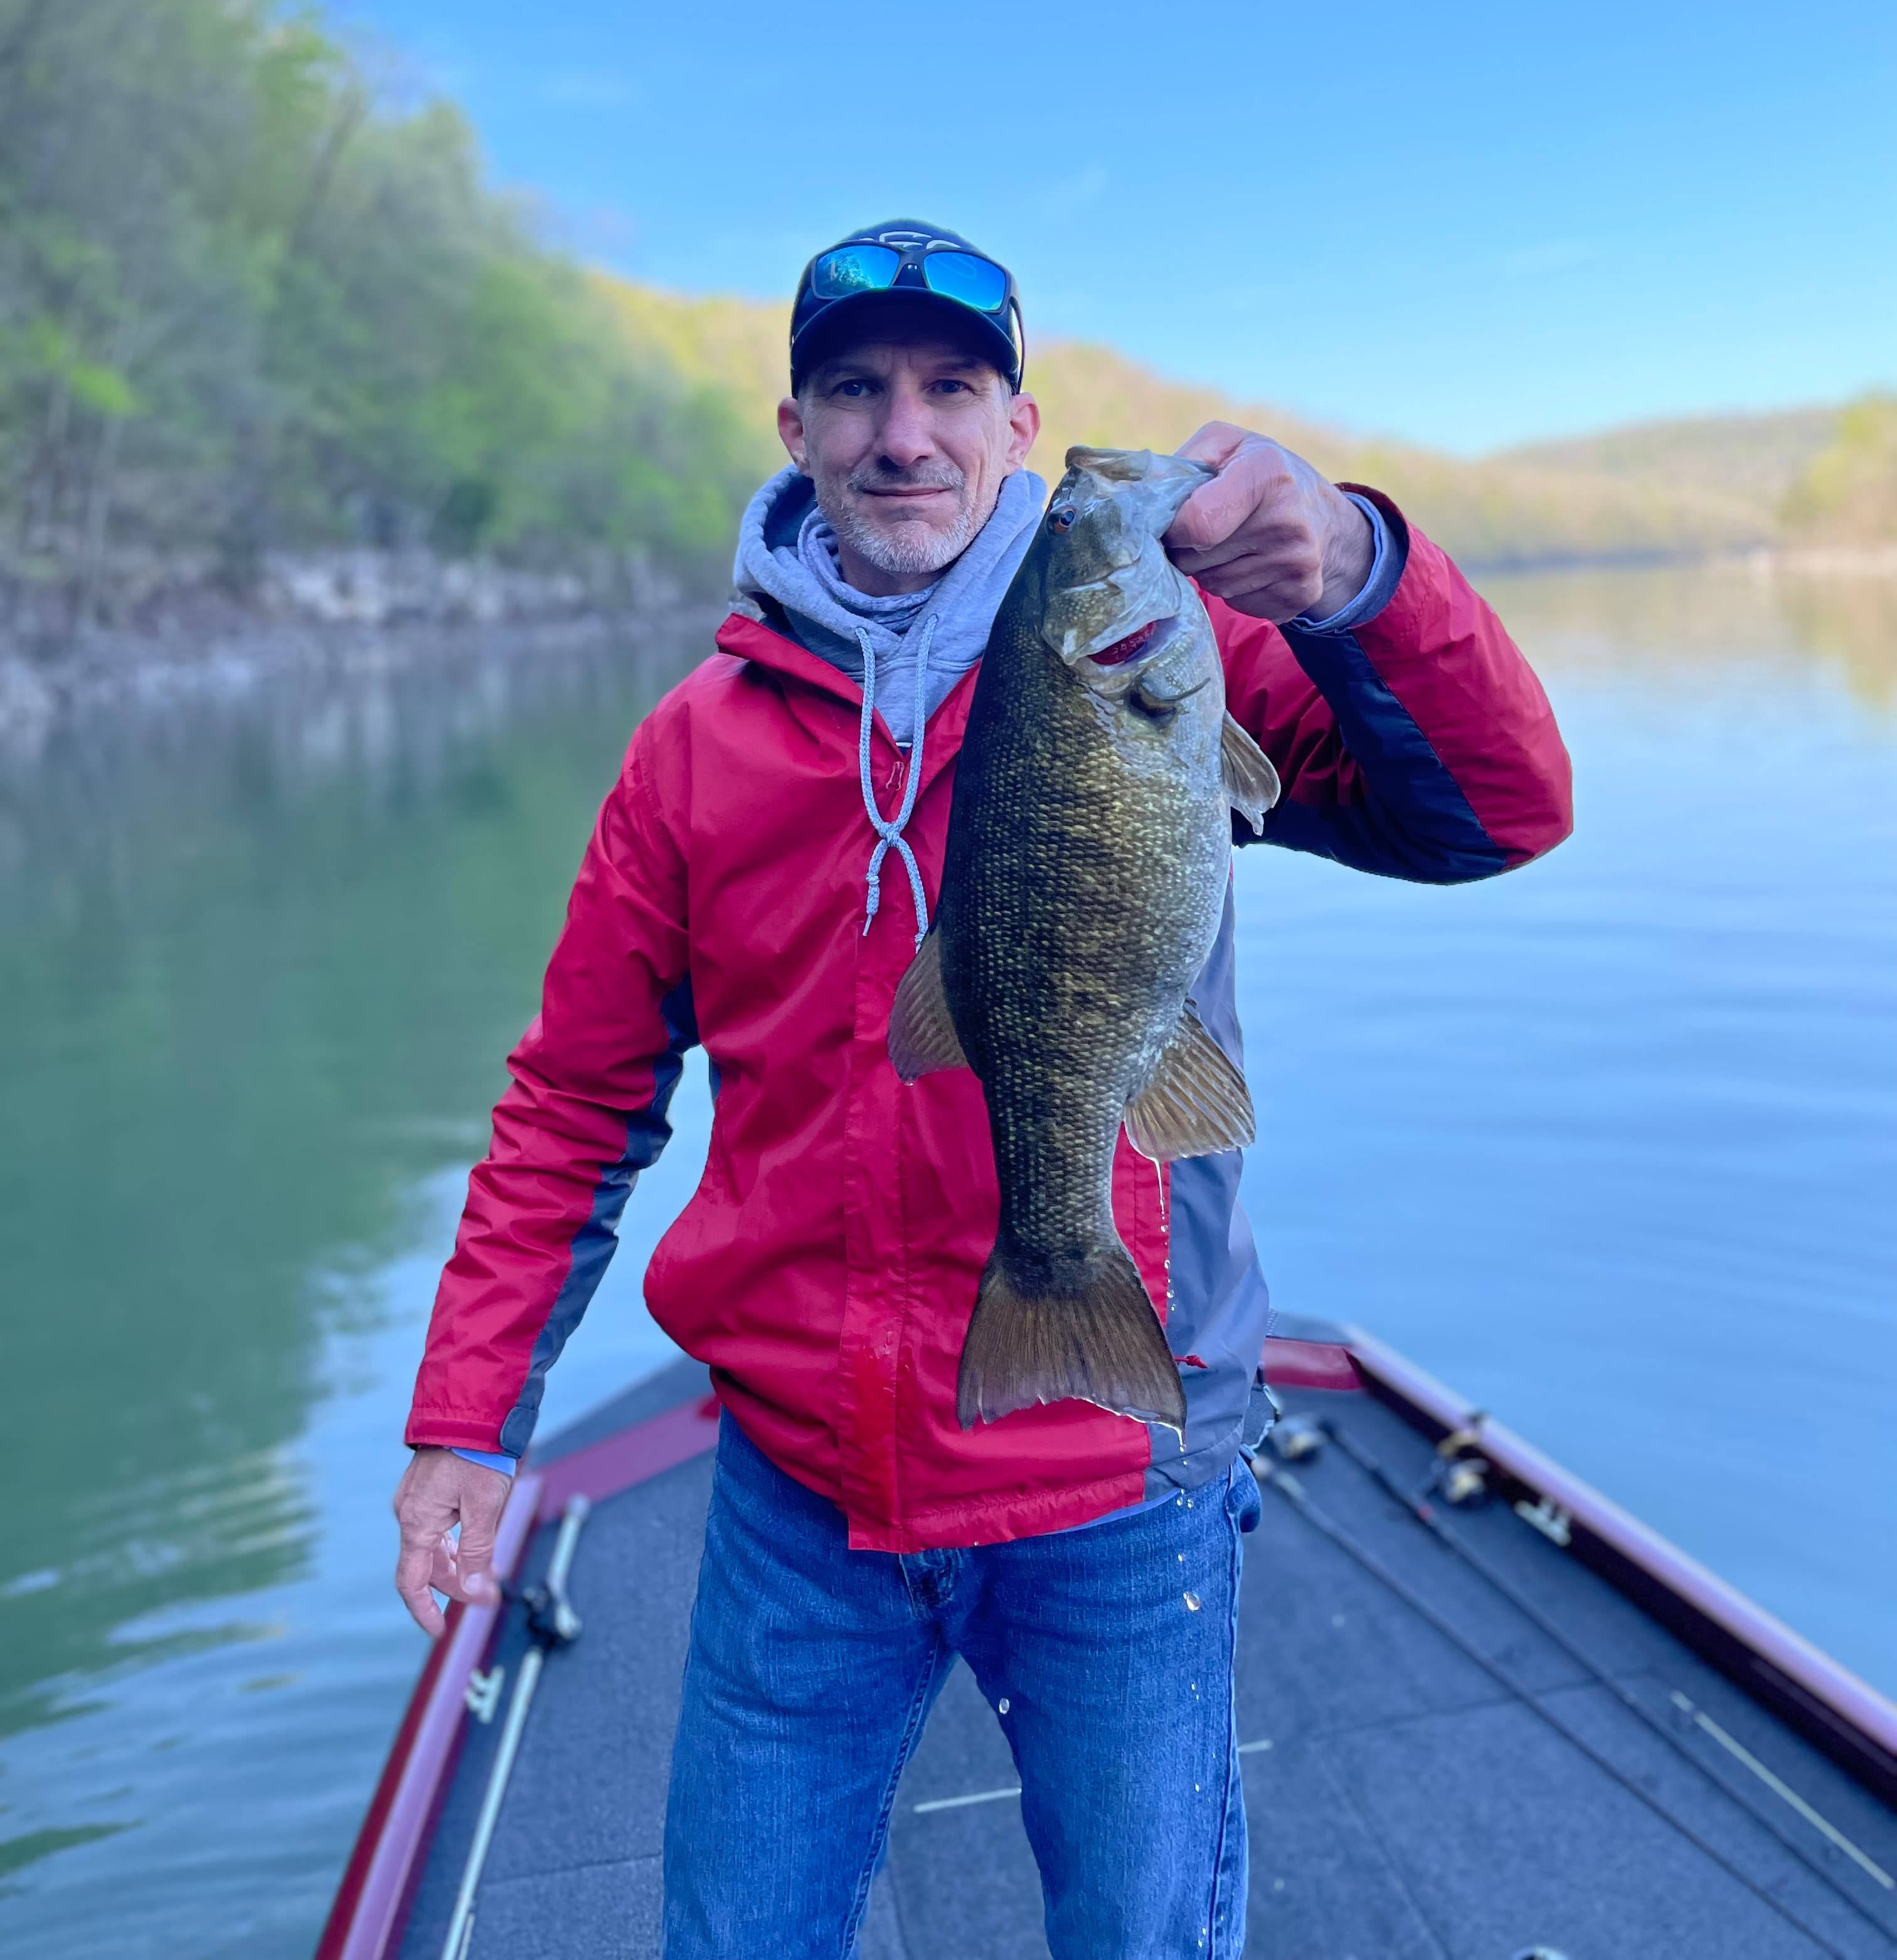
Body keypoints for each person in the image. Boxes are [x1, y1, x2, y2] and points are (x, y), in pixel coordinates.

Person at [393, 220, 1572, 1957]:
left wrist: (1352, 569)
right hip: (800, 1484)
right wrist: (466, 1415)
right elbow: (577, 1102)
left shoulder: (1163, 658)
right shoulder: (689, 753)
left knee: (1145, 1933)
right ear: (794, 431)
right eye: (857, 392)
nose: (905, 434)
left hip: (1118, 1472)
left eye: (955, 389)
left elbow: (1495, 812)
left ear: (1021, 429)